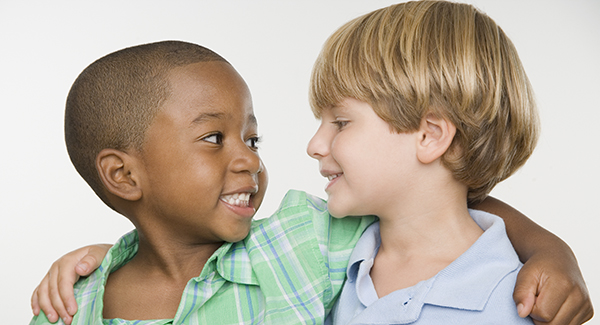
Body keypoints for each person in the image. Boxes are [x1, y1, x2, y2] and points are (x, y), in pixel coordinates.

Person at [30, 39, 592, 325]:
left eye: (252, 140)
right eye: (213, 139)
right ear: (123, 175)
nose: (249, 160)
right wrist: (110, 260)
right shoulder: (74, 304)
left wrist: (550, 249)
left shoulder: (303, 242)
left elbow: (436, 194)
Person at [305, 1, 592, 324]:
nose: (314, 146)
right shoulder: (323, 251)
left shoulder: (515, 303)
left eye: (341, 122)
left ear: (430, 136)